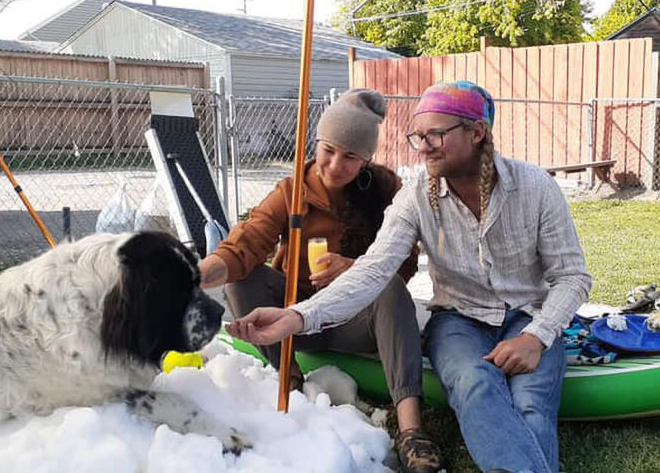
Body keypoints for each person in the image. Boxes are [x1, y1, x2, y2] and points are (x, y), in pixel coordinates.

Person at [227, 81, 592, 473]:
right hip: (458, 320)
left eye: (435, 134)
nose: (423, 145)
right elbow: (372, 270)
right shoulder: (416, 196)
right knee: (474, 383)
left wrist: (536, 336)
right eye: (418, 135)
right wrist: (298, 316)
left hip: (529, 315)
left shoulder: (534, 187)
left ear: (477, 132)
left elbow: (572, 276)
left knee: (531, 401)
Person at [199, 89, 446, 473]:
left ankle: (412, 430)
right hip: (294, 319)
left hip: (354, 321)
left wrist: (354, 268)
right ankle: (291, 379)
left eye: (350, 156)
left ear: (366, 159)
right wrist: (194, 276)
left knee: (391, 286)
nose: (334, 165)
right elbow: (244, 245)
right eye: (328, 150)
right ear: (316, 144)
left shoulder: (384, 191)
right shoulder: (291, 191)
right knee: (242, 277)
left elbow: (405, 262)